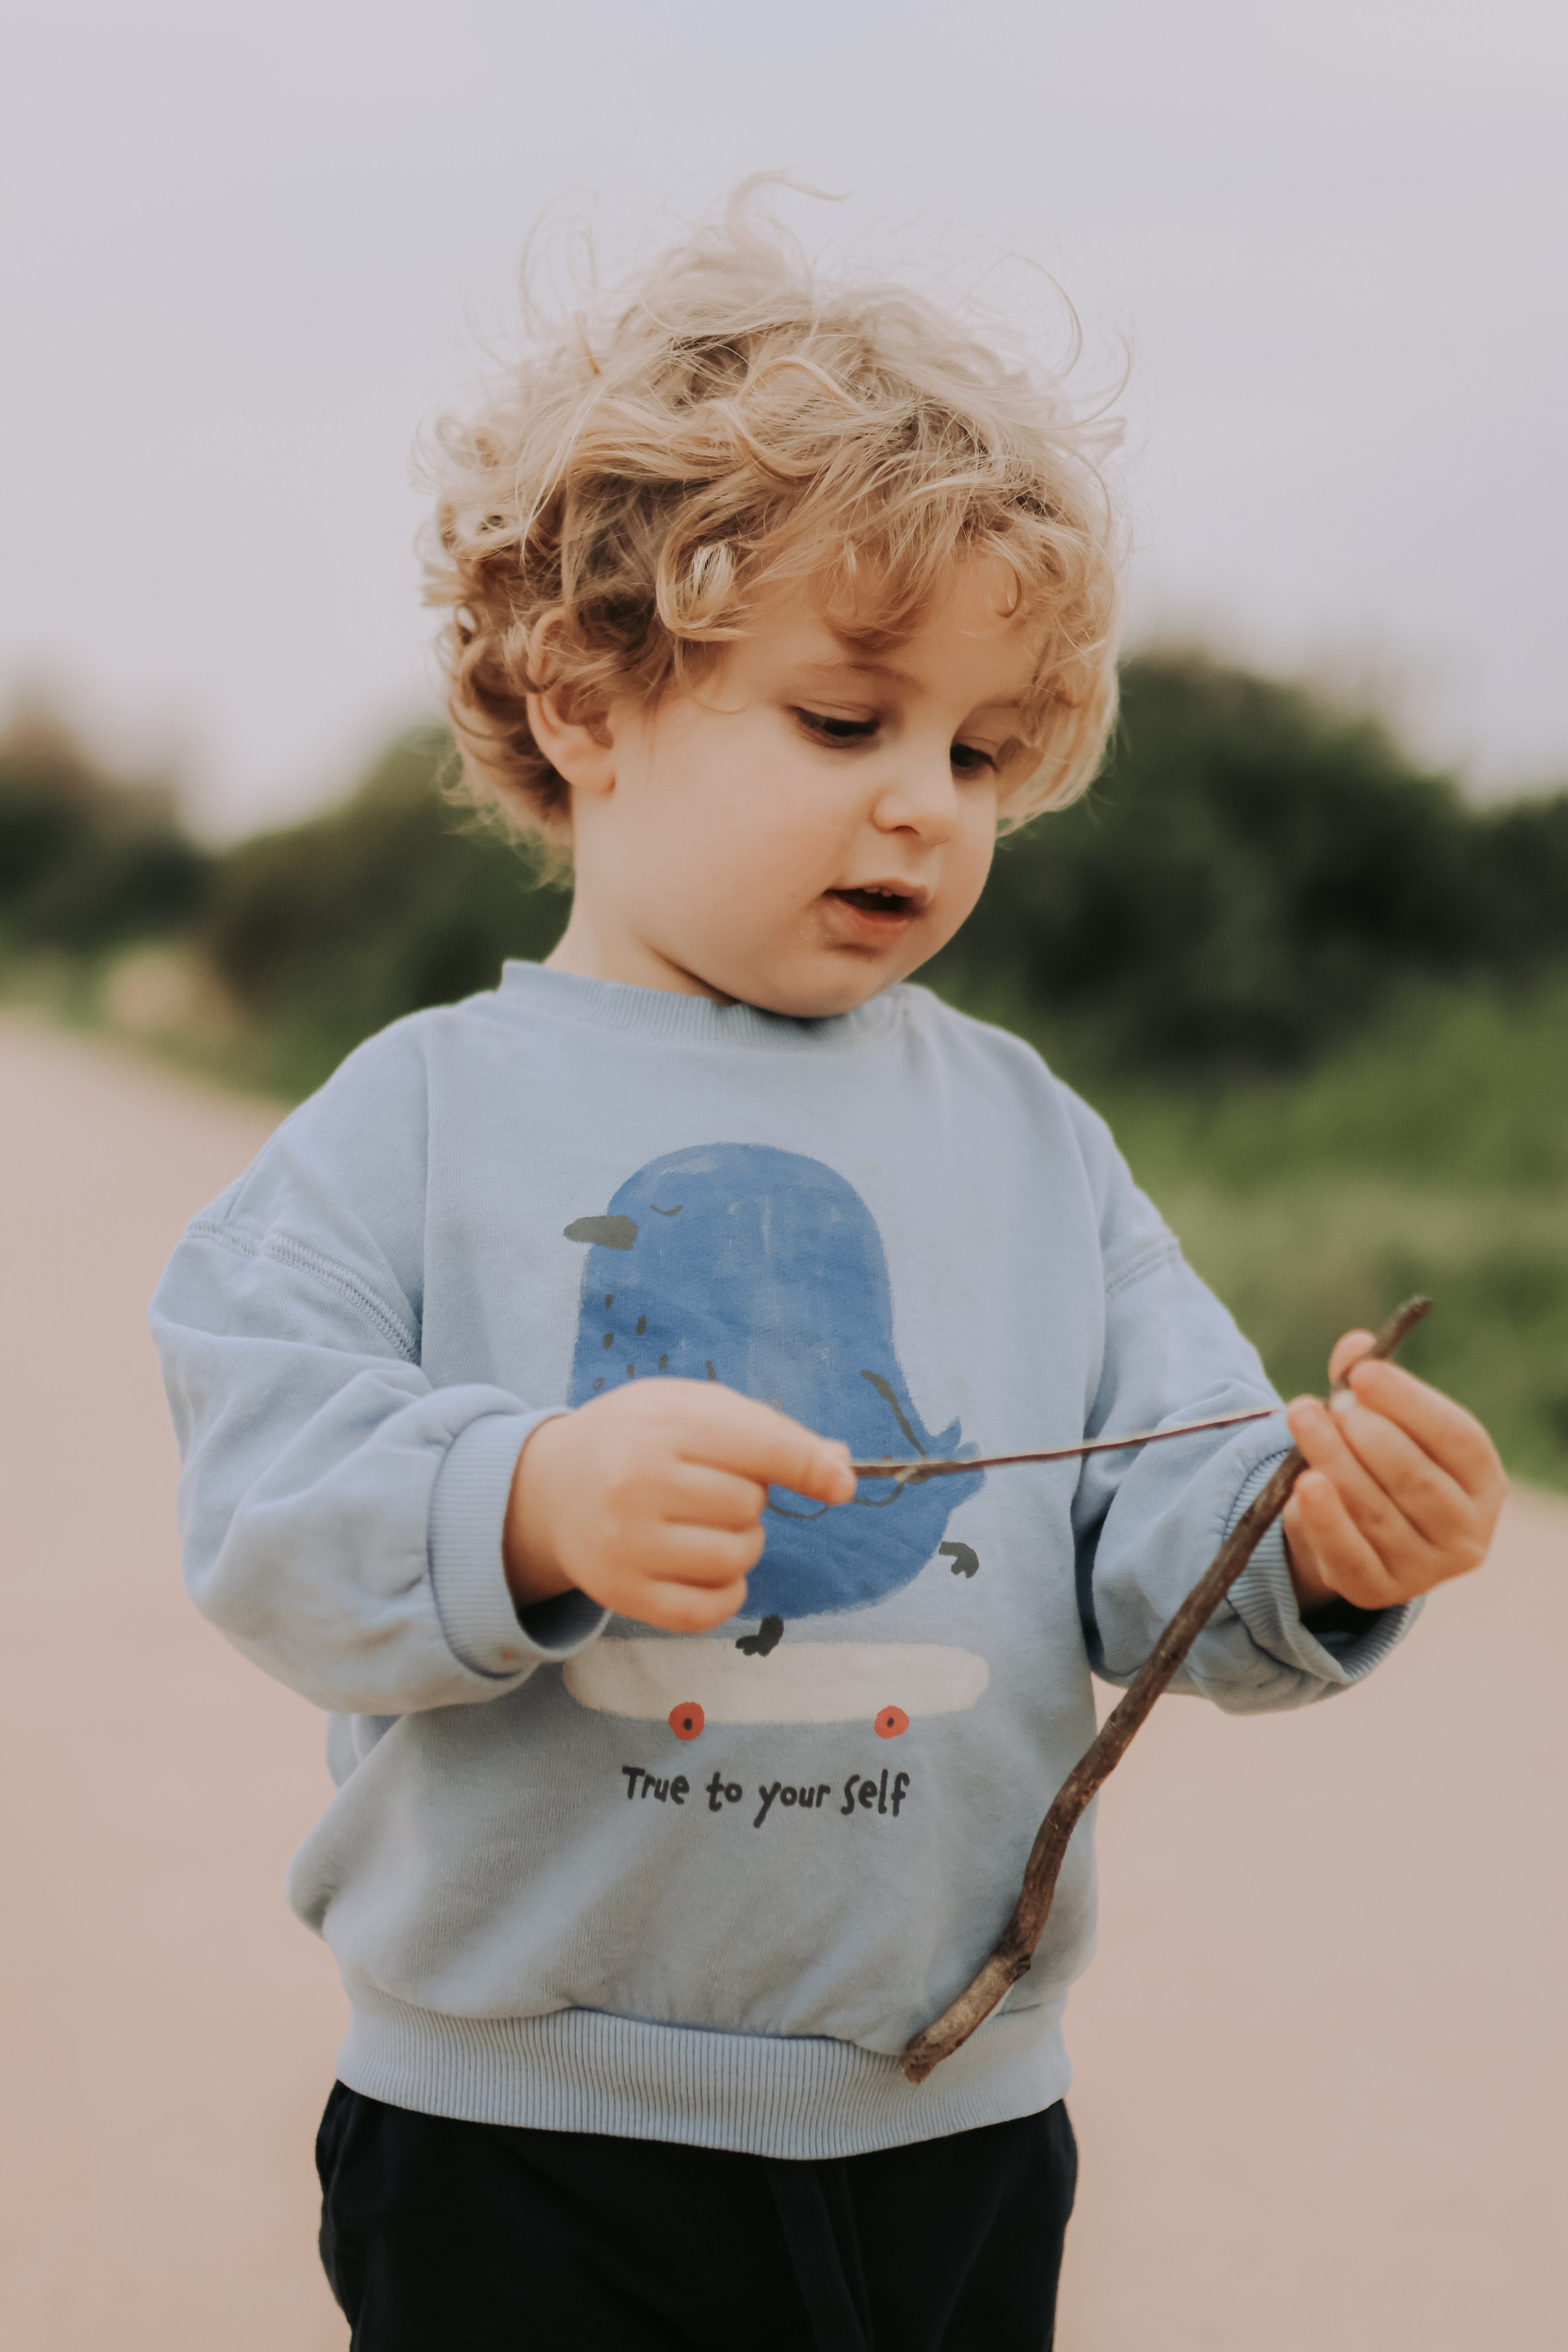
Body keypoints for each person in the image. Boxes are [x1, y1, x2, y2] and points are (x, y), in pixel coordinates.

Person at [150, 193, 1504, 2351]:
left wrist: (1320, 1549)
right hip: (521, 2141)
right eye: (845, 721)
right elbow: (266, 1502)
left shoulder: (1032, 1137)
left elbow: (1164, 1524)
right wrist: (530, 1504)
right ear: (587, 700)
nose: (926, 810)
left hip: (948, 2122)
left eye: (978, 752)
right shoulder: (418, 1117)